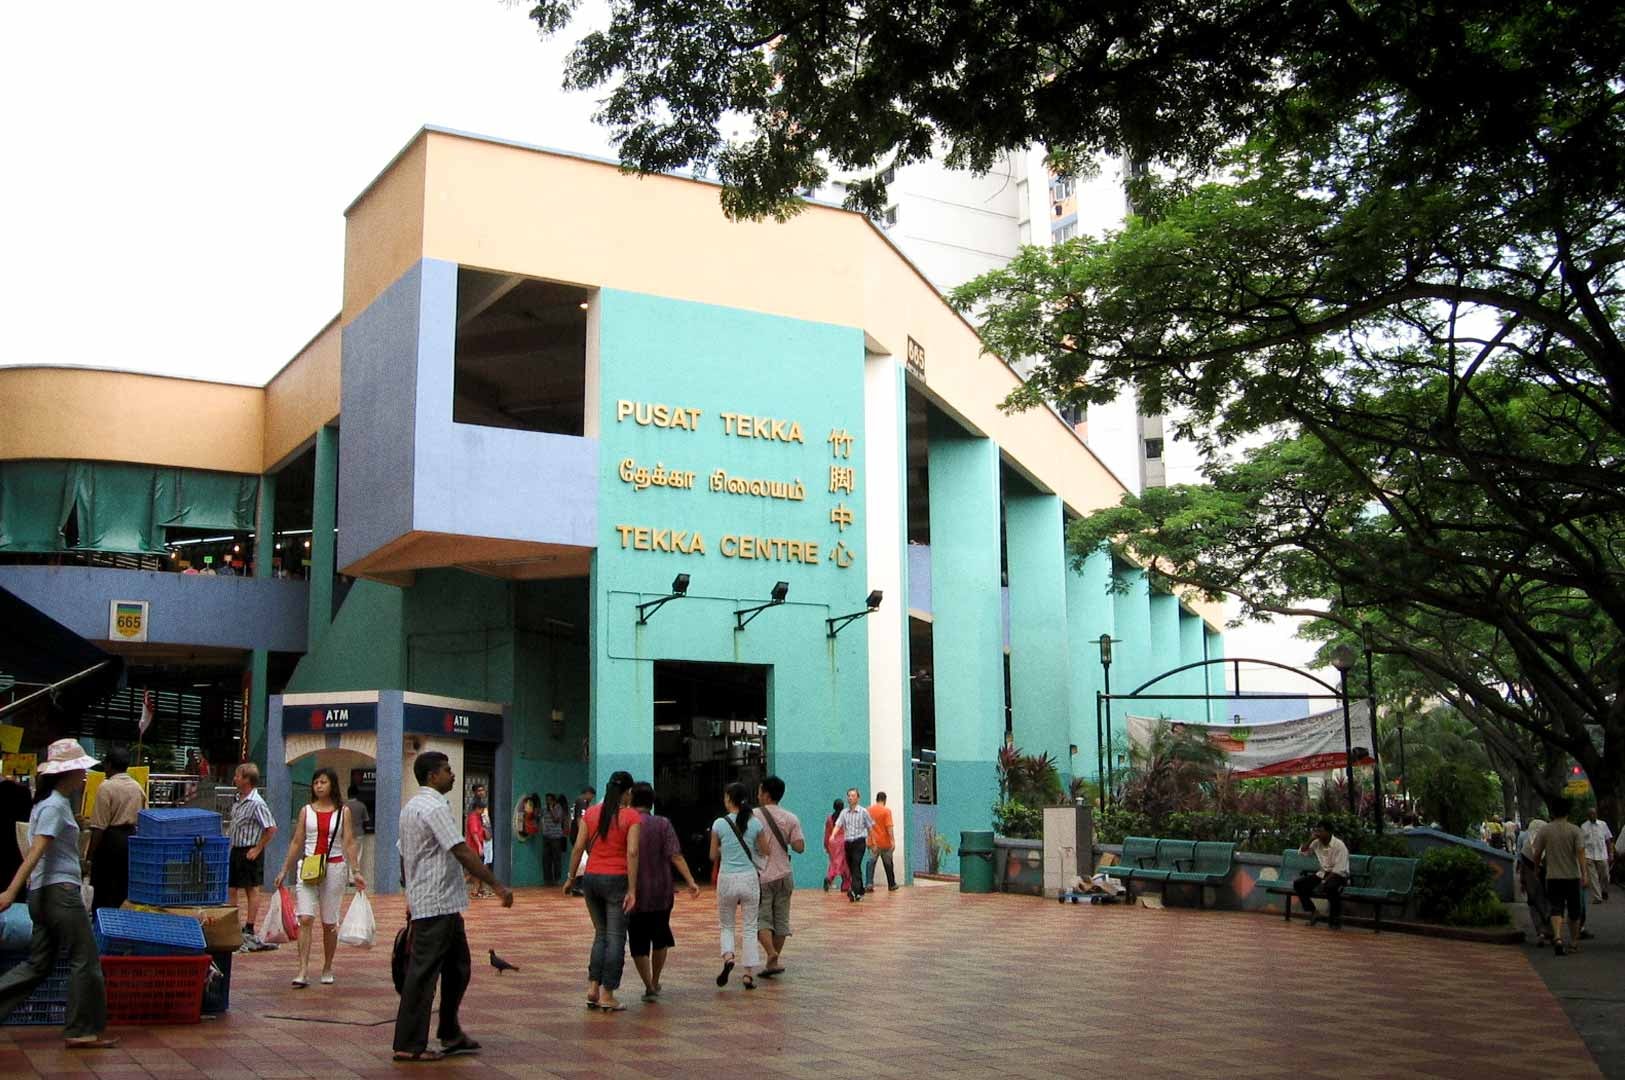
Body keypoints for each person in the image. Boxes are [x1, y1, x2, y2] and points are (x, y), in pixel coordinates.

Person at [394, 751, 513, 1062]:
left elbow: (404, 855)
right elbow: (461, 850)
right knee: (423, 973)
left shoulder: (411, 807)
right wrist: (496, 885)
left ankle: (450, 1031)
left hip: (440, 901)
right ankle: (408, 1043)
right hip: (435, 903)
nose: (453, 774)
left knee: (458, 967)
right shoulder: (433, 807)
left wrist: (411, 893)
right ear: (433, 776)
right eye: (447, 770)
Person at [0, 739, 118, 1049]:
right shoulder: (54, 805)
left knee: (39, 963)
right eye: (80, 770)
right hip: (60, 893)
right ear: (67, 772)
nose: (84, 775)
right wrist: (10, 891)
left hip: (41, 894)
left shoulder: (45, 804)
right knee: (86, 959)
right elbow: (36, 852)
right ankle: (81, 1029)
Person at [272, 767, 363, 987]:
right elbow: (297, 841)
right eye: (316, 783)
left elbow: (349, 841)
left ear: (332, 785)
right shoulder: (306, 811)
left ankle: (327, 965)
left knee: (329, 922)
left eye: (323, 782)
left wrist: (356, 871)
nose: (319, 786)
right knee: (305, 918)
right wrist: (284, 869)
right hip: (309, 867)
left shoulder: (344, 812)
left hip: (334, 868)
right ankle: (302, 969)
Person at [563, 771, 640, 1011]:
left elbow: (578, 847)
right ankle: (608, 993)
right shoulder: (631, 816)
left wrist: (570, 877)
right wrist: (633, 889)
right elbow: (633, 853)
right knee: (616, 937)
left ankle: (593, 988)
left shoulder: (592, 813)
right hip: (616, 880)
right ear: (627, 792)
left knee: (601, 933)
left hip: (591, 880)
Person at [628, 781, 700, 1001]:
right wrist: (690, 881)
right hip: (661, 890)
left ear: (631, 800)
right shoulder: (663, 824)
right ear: (651, 802)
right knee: (660, 935)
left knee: (638, 939)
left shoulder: (627, 823)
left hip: (634, 891)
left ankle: (648, 983)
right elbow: (675, 855)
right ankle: (656, 979)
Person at [709, 781, 768, 990]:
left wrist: (725, 850)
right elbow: (765, 850)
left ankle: (728, 956)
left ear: (729, 799)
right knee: (750, 926)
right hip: (749, 879)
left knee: (726, 925)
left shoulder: (719, 824)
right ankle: (748, 973)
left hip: (727, 879)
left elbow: (711, 854)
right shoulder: (755, 823)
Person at [754, 775, 805, 978]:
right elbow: (800, 847)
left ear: (766, 794)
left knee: (762, 920)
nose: (757, 795)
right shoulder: (791, 818)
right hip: (785, 874)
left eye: (759, 791)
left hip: (763, 875)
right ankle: (772, 962)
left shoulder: (753, 816)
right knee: (782, 921)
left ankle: (771, 953)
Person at [85, 746, 145, 911]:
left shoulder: (106, 787)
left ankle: (102, 928)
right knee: (122, 891)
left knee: (104, 892)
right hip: (131, 841)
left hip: (109, 843)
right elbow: (144, 817)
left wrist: (89, 856)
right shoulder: (137, 787)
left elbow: (99, 826)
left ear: (108, 765)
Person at [228, 763, 278, 951]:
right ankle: (233, 923)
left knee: (251, 888)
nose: (235, 779)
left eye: (238, 776)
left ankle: (249, 926)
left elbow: (271, 828)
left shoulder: (257, 803)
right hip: (236, 848)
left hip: (249, 849)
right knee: (232, 887)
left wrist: (257, 848)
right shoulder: (238, 799)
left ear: (247, 779)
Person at [1533, 797, 1589, 955]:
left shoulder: (1545, 830)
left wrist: (1536, 869)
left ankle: (1557, 937)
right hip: (1572, 876)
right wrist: (1585, 874)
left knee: (1556, 907)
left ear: (1552, 812)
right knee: (1574, 911)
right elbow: (1580, 853)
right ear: (1568, 812)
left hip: (1553, 876)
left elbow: (1537, 853)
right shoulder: (1575, 830)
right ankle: (1574, 942)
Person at [1293, 819, 1349, 929]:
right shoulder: (1316, 842)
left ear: (1329, 832)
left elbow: (1339, 869)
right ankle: (1313, 911)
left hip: (1338, 875)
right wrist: (1311, 839)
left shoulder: (1339, 846)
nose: (1318, 833)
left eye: (1321, 831)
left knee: (1330, 887)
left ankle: (1335, 920)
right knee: (1299, 884)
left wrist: (1324, 882)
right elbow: (1302, 852)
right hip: (1322, 874)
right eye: (1317, 831)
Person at [830, 788, 875, 902]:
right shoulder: (844, 813)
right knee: (853, 867)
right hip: (848, 843)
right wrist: (833, 835)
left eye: (853, 795)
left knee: (856, 864)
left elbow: (870, 827)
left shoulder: (863, 812)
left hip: (859, 842)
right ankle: (860, 890)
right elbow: (838, 825)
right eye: (849, 796)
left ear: (858, 798)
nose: (850, 798)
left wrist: (872, 842)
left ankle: (853, 891)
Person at [1518, 818, 1551, 945]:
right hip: (1547, 882)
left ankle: (1540, 932)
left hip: (1532, 885)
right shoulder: (1548, 844)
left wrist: (1522, 881)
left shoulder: (1527, 845)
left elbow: (1522, 865)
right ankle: (1550, 930)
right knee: (1549, 902)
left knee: (1533, 904)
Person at [864, 791, 898, 893]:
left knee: (871, 863)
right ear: (885, 800)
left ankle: (869, 883)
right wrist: (892, 840)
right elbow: (889, 827)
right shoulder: (886, 811)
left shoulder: (868, 810)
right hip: (885, 842)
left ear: (876, 799)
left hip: (873, 842)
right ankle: (891, 884)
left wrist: (866, 839)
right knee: (888, 864)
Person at [1579, 808, 1613, 902]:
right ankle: (1597, 897)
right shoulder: (1583, 826)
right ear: (1588, 816)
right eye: (1590, 814)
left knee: (1605, 875)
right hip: (1589, 855)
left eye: (1594, 814)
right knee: (1593, 877)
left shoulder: (1603, 824)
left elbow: (1608, 840)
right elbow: (1581, 842)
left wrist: (1611, 853)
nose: (1593, 816)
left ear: (1596, 814)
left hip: (1602, 854)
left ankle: (1604, 890)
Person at [567, 786, 596, 896]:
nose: (592, 798)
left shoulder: (576, 802)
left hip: (574, 834)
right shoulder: (582, 801)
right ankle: (578, 885)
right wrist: (583, 834)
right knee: (583, 860)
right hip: (578, 835)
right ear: (587, 793)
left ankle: (578, 885)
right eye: (591, 796)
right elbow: (581, 819)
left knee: (582, 859)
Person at [465, 787, 493, 899]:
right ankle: (465, 889)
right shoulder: (473, 817)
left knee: (477, 871)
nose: (482, 812)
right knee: (471, 872)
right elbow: (474, 833)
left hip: (477, 846)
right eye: (481, 809)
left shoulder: (477, 817)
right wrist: (479, 846)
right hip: (474, 848)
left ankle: (476, 890)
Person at [823, 799, 849, 893]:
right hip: (843, 841)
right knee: (845, 863)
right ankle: (845, 884)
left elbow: (827, 833)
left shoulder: (830, 818)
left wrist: (826, 845)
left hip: (833, 842)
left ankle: (829, 877)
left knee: (834, 862)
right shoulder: (845, 817)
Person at [541, 793, 567, 886]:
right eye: (546, 800)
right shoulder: (544, 808)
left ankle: (556, 880)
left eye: (549, 800)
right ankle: (548, 880)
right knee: (546, 859)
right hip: (546, 836)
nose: (548, 802)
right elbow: (539, 817)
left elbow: (556, 819)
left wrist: (551, 809)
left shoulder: (558, 808)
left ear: (554, 800)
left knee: (556, 859)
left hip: (556, 837)